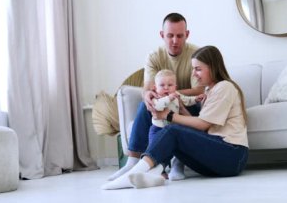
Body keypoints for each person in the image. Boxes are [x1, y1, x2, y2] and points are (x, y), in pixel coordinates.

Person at [101, 45, 249, 190]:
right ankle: (154, 174)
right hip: (217, 158)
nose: (194, 74)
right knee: (170, 129)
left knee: (172, 130)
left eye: (198, 69)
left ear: (212, 67)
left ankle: (133, 173)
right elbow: (202, 129)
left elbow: (203, 125)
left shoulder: (225, 87)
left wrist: (168, 115)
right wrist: (180, 107)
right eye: (193, 69)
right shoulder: (210, 90)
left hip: (232, 155)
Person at [107, 12, 204, 181]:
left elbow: (199, 90)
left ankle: (178, 162)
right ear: (162, 35)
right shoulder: (154, 56)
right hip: (162, 104)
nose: (175, 41)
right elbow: (147, 88)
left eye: (180, 36)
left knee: (192, 105)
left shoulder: (196, 55)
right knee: (145, 105)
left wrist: (173, 96)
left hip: (187, 106)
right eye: (170, 35)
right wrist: (149, 96)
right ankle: (132, 162)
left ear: (187, 35)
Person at [150, 69, 205, 180]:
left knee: (170, 149)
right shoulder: (156, 98)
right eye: (162, 85)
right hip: (157, 129)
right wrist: (168, 98)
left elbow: (186, 100)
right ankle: (159, 171)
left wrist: (196, 99)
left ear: (175, 86)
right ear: (155, 88)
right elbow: (158, 107)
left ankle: (172, 166)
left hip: (172, 128)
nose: (166, 88)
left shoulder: (177, 95)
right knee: (157, 150)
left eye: (170, 85)